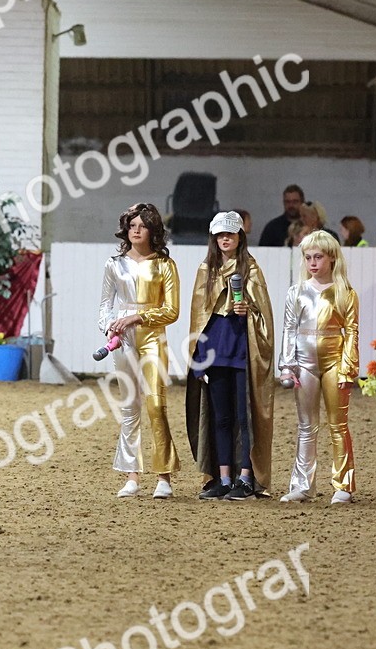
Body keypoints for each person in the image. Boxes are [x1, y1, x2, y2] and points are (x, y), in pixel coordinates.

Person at [185, 212, 275, 501]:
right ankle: (223, 478)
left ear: (239, 237)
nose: (225, 239)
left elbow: (264, 316)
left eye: (231, 234)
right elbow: (198, 317)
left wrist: (247, 311)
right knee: (220, 417)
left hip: (242, 352)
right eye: (220, 235)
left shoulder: (251, 269)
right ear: (213, 237)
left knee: (243, 416)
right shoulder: (205, 271)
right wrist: (198, 356)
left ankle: (246, 478)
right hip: (215, 352)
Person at [97, 203, 181, 499]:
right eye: (132, 225)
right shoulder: (114, 264)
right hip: (123, 338)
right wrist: (108, 326)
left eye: (142, 226)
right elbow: (106, 304)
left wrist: (138, 317)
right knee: (129, 406)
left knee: (156, 405)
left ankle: (164, 477)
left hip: (152, 337)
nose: (135, 230)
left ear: (152, 230)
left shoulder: (165, 265)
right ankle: (131, 476)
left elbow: (172, 311)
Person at [277, 231, 359, 505]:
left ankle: (343, 484)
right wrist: (287, 365)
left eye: (318, 257)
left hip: (335, 362)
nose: (312, 263)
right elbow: (289, 329)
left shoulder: (345, 293)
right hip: (304, 365)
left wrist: (348, 368)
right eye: (308, 257)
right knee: (305, 426)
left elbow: (351, 332)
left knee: (338, 425)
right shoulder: (296, 292)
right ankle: (302, 485)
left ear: (331, 257)